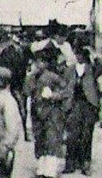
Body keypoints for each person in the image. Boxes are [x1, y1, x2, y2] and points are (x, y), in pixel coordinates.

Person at [25, 45, 68, 178]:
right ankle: (41, 167)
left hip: (52, 112)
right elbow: (27, 91)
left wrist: (53, 95)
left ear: (46, 63)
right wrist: (28, 77)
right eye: (36, 62)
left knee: (52, 139)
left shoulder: (53, 77)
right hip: (36, 111)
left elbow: (66, 92)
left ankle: (50, 169)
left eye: (40, 62)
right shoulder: (32, 77)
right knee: (40, 139)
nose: (37, 65)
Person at [64, 47, 99, 175]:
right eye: (77, 54)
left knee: (86, 135)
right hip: (74, 104)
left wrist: (94, 55)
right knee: (72, 135)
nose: (78, 56)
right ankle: (71, 163)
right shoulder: (70, 69)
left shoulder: (92, 68)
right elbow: (65, 84)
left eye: (81, 54)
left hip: (89, 104)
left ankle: (85, 164)